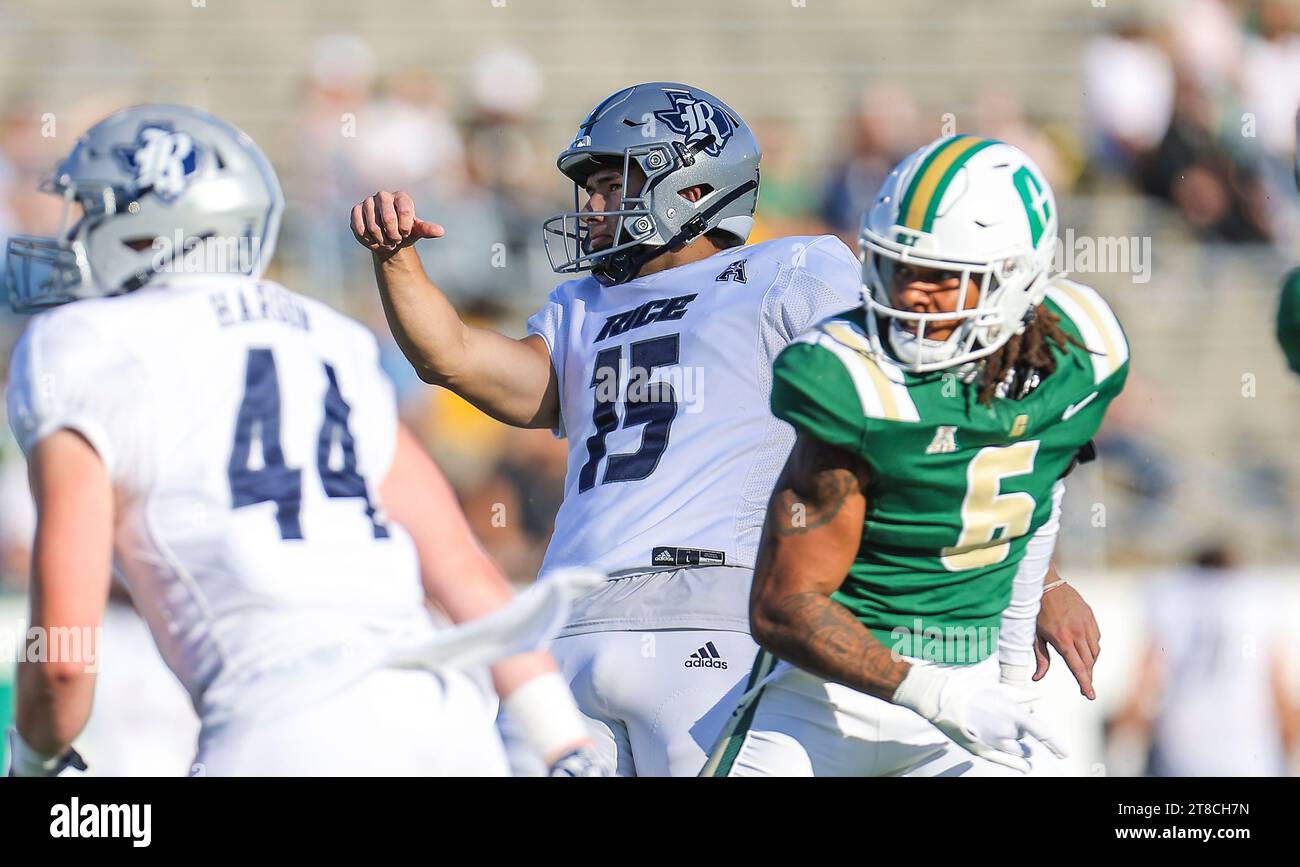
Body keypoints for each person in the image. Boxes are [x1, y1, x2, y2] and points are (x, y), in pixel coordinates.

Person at [4, 104, 601, 777]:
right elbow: (463, 573)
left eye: (95, 212)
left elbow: (60, 660)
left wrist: (32, 760)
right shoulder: (332, 337)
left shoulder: (81, 343)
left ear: (152, 230)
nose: (75, 233)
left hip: (282, 726)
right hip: (441, 724)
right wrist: (563, 741)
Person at [353, 82, 868, 776]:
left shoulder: (789, 269)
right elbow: (453, 357)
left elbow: (896, 403)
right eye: (590, 188)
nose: (593, 207)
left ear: (691, 187)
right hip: (569, 624)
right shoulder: (583, 304)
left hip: (712, 619)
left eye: (611, 184)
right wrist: (396, 260)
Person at [705, 136, 1128, 776]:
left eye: (940, 277)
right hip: (826, 697)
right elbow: (782, 606)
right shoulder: (850, 376)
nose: (911, 295)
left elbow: (1041, 482)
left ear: (1016, 278)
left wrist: (1014, 666)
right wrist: (937, 693)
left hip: (976, 685)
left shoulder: (1079, 352)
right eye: (900, 268)